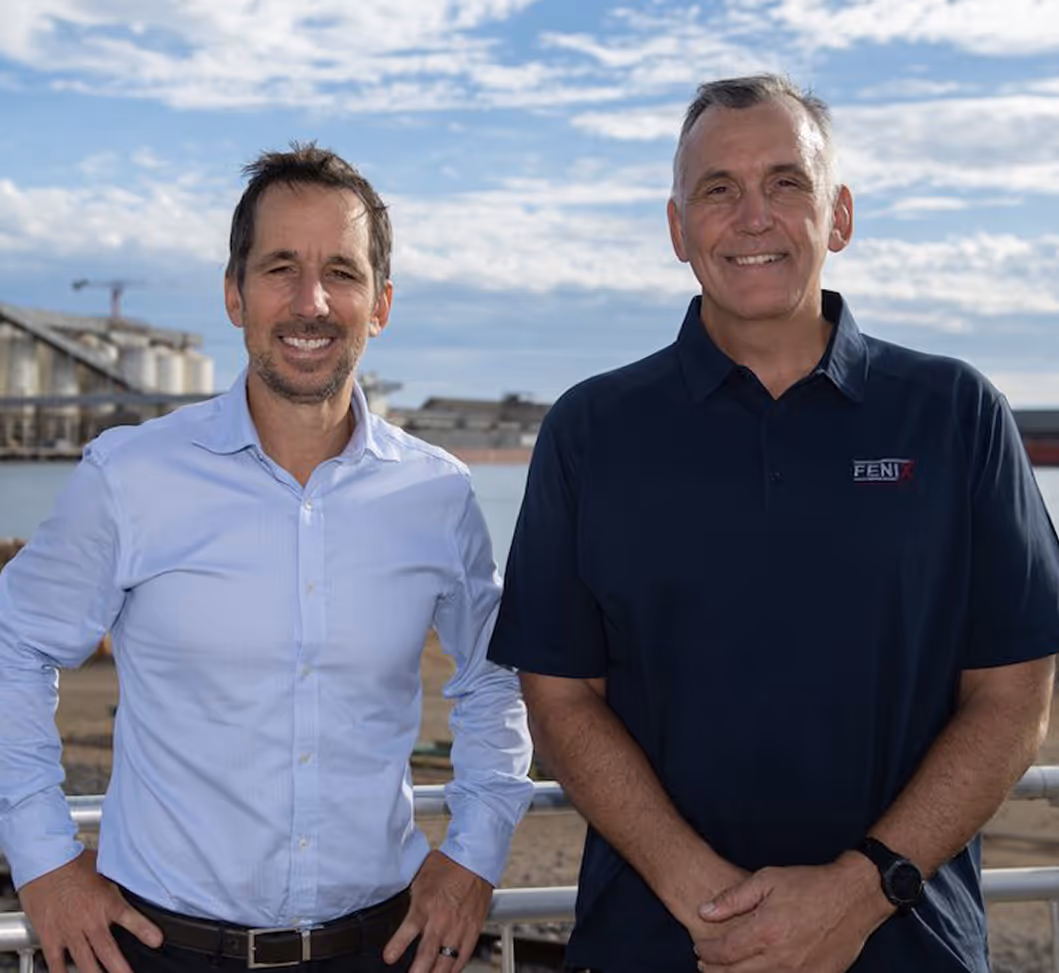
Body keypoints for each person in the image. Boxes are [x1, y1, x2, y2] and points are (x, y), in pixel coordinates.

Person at [487, 74, 1059, 972]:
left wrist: (858, 891)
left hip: (907, 947)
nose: (752, 216)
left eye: (786, 183)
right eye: (717, 189)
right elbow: (558, 699)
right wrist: (710, 903)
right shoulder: (591, 431)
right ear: (678, 230)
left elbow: (1015, 694)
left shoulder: (953, 413)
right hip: (659, 945)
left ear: (837, 217)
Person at [0, 143, 533, 973]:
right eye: (281, 267)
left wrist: (472, 856)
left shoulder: (438, 494)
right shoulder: (130, 476)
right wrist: (43, 862)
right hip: (160, 949)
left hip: (378, 947)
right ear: (233, 293)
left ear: (380, 303)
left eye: (342, 273)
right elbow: (14, 643)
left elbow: (495, 675)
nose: (311, 302)